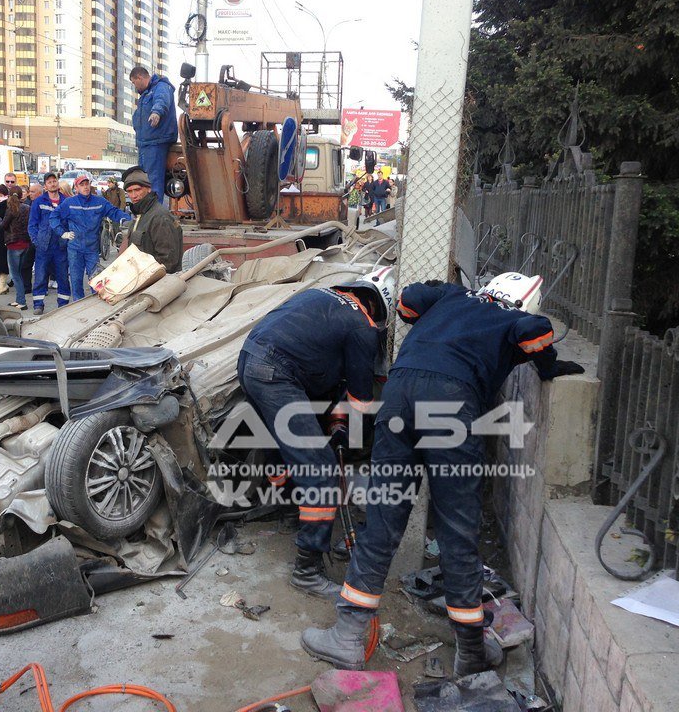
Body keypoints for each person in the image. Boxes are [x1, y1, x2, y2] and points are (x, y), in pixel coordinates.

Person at [301, 272, 585, 675]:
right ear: (526, 298)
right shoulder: (511, 319)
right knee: (457, 527)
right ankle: (470, 652)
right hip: (452, 403)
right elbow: (534, 332)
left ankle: (347, 638)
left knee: (383, 517)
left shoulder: (453, 297)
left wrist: (441, 292)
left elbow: (408, 301)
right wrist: (548, 365)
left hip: (401, 393)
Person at [237, 268, 393, 598]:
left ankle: (294, 511)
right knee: (321, 470)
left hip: (250, 360)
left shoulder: (321, 295)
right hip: (276, 374)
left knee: (282, 448)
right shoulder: (362, 327)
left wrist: (334, 423)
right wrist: (345, 436)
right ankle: (307, 570)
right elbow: (361, 403)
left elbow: (328, 380)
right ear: (381, 310)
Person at [51, 172, 131, 300]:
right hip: (75, 249)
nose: (85, 187)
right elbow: (54, 217)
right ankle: (79, 306)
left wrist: (126, 219)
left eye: (87, 184)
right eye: (81, 185)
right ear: (76, 188)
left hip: (92, 249)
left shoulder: (99, 202)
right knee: (76, 281)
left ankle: (97, 307)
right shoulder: (69, 203)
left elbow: (113, 211)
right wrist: (62, 233)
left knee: (96, 281)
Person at [130, 65, 177, 204]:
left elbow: (161, 100)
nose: (134, 86)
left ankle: (153, 213)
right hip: (146, 142)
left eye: (134, 82)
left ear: (140, 77)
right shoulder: (146, 94)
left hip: (156, 141)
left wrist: (156, 112)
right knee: (144, 181)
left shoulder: (161, 86)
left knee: (153, 180)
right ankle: (146, 212)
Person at [122, 166, 182, 273]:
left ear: (148, 189)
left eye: (137, 190)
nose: (134, 195)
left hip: (158, 283)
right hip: (142, 280)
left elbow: (168, 260)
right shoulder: (140, 215)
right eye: (129, 191)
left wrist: (143, 276)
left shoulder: (159, 217)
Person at [28, 172, 71, 315]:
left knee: (63, 276)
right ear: (45, 186)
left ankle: (63, 304)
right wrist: (36, 241)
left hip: (61, 246)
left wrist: (67, 240)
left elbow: (70, 222)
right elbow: (32, 224)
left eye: (54, 181)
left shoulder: (66, 201)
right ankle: (38, 305)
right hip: (43, 246)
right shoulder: (39, 202)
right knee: (40, 276)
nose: (53, 184)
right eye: (49, 182)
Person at [0, 187, 31, 310]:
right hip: (25, 244)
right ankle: (19, 299)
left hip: (13, 244)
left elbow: (3, 225)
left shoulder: (11, 208)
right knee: (20, 273)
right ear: (22, 195)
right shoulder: (27, 208)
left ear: (9, 196)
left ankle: (21, 301)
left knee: (15, 274)